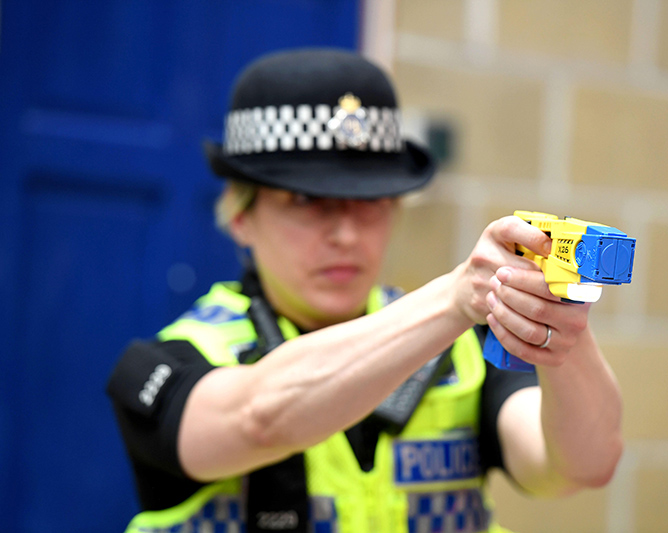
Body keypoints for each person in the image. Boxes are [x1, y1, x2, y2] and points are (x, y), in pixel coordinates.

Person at [107, 48, 623, 533]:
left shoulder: (467, 347)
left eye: (369, 201)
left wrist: (560, 327)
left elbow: (581, 467)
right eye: (306, 201)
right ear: (241, 215)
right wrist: (453, 298)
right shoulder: (171, 361)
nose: (346, 234)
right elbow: (257, 419)